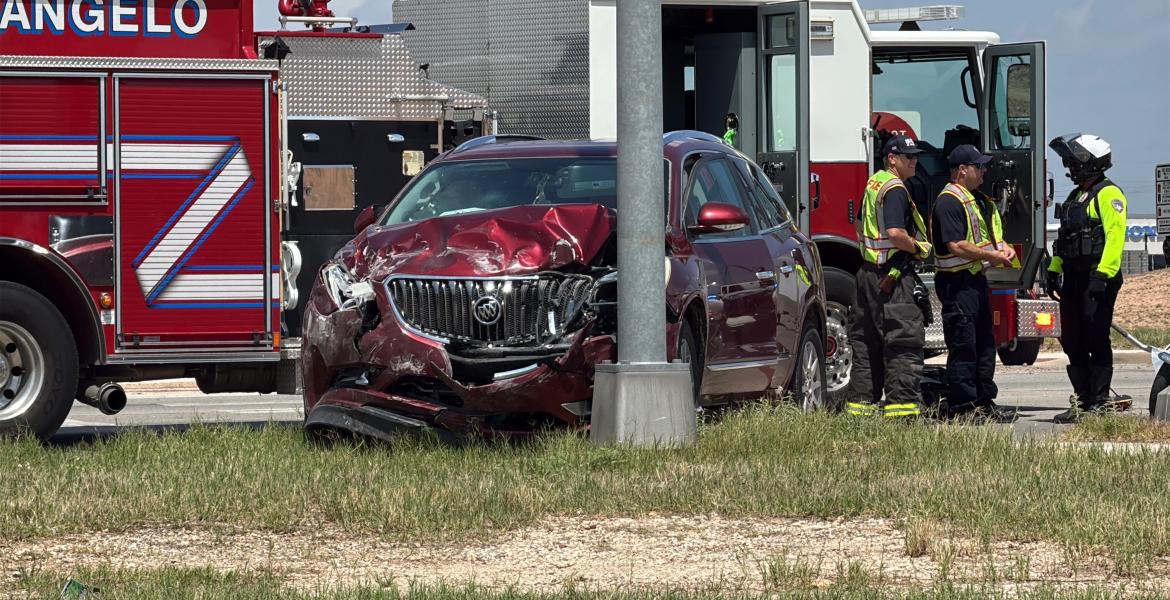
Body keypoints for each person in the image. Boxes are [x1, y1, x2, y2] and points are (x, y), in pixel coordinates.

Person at [846, 135, 933, 418]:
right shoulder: (895, 189)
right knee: (902, 343)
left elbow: (859, 225)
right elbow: (896, 233)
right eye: (909, 156)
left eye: (916, 156)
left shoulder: (875, 183)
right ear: (892, 159)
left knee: (865, 343)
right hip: (892, 279)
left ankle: (860, 411)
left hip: (868, 274)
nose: (914, 161)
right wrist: (918, 248)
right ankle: (902, 414)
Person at [930, 144, 1017, 423]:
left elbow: (988, 236)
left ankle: (983, 402)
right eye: (978, 166)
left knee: (984, 345)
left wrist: (1003, 249)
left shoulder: (976, 200)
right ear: (961, 170)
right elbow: (956, 245)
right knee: (964, 346)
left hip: (976, 281)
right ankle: (963, 408)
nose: (984, 171)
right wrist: (992, 256)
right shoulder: (948, 201)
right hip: (956, 285)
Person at [1046, 133, 1128, 423]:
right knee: (1072, 338)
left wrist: (1103, 275)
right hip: (1074, 276)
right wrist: (1054, 268)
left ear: (1091, 162)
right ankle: (1083, 400)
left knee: (1096, 337)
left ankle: (1100, 401)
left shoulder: (1109, 194)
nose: (1069, 166)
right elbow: (1064, 238)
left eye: (1074, 161)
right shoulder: (1075, 196)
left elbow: (1115, 237)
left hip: (1098, 276)